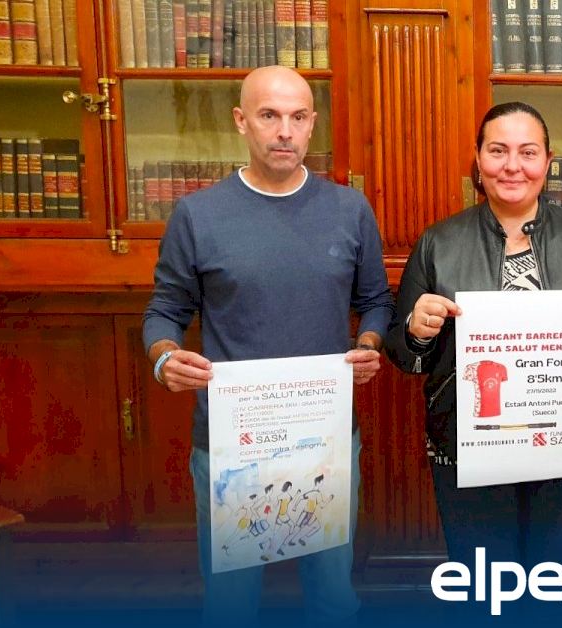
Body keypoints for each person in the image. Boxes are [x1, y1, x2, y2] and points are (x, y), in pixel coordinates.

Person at [142, 65, 394, 623]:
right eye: (269, 116)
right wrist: (165, 358)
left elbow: (377, 299)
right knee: (231, 604)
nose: (285, 131)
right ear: (241, 121)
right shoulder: (198, 215)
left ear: (312, 124)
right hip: (233, 445)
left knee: (332, 597)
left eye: (298, 117)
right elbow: (164, 311)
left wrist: (369, 342)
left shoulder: (349, 209)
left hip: (324, 438)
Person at [385, 101, 562, 584]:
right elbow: (402, 355)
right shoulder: (439, 242)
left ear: (548, 160)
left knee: (555, 581)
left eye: (528, 152)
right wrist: (417, 332)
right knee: (485, 582)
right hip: (469, 442)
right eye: (498, 150)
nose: (512, 166)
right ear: (478, 158)